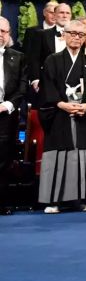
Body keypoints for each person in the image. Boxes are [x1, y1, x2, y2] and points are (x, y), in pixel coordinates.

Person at [37, 19, 86, 214]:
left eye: (81, 34)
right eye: (72, 33)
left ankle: (81, 199)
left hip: (84, 114)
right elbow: (48, 87)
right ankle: (54, 200)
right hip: (59, 114)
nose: (76, 37)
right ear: (64, 35)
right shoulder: (52, 60)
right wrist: (62, 104)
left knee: (82, 155)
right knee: (58, 156)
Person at [0, 18, 26, 215]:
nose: (1, 35)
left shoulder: (17, 57)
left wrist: (7, 105)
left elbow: (21, 87)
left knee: (4, 160)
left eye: (5, 32)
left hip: (6, 116)